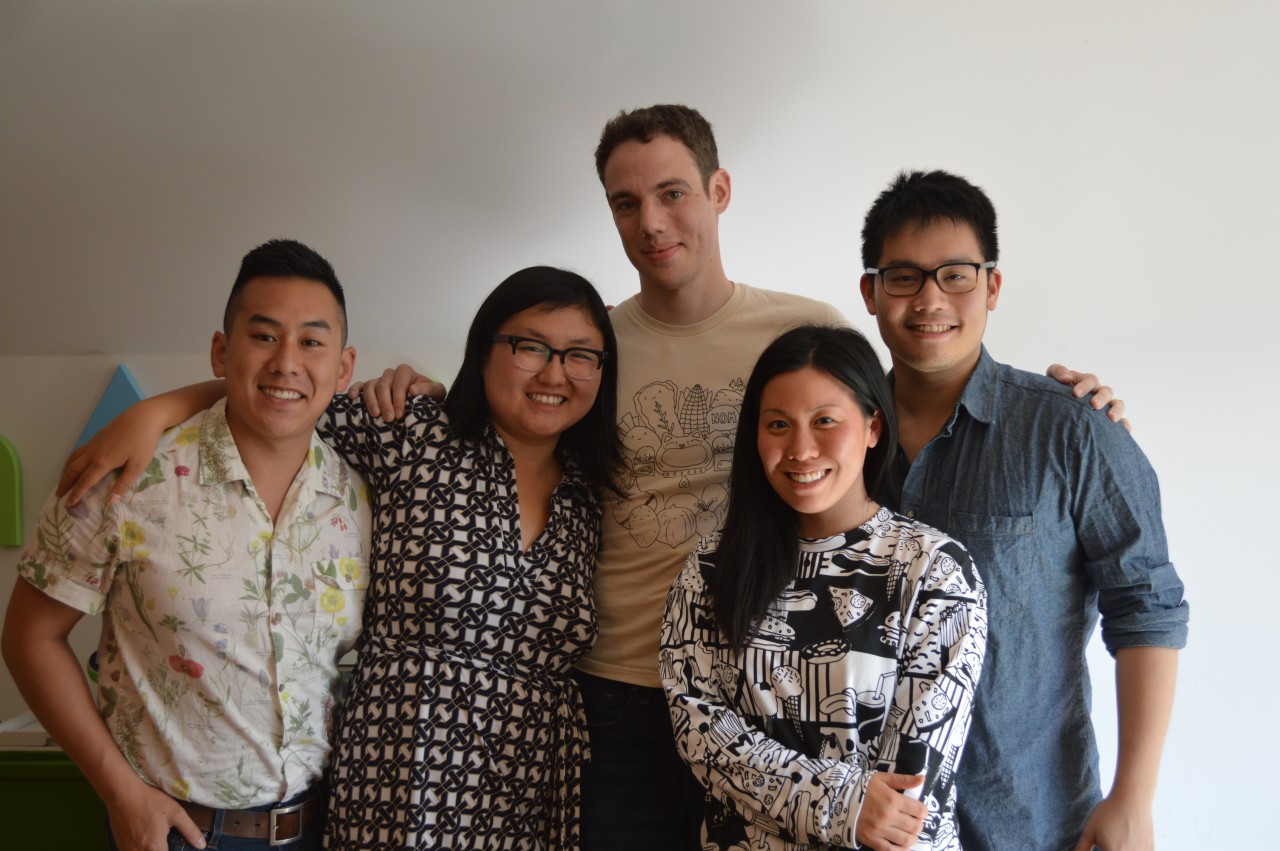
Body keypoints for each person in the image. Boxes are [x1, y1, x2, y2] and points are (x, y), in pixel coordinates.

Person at [347, 104, 1126, 850]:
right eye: (626, 202)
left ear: (719, 193)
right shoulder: (593, 347)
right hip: (618, 693)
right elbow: (518, 417)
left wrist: (1065, 407)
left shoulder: (799, 327)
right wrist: (414, 390)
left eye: (672, 193)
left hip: (778, 687)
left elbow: (877, 402)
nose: (651, 221)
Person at [53, 266, 623, 849]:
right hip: (400, 782)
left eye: (582, 355)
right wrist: (156, 409)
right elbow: (282, 394)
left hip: (530, 790)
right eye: (531, 346)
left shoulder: (591, 495)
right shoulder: (414, 433)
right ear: (483, 351)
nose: (555, 372)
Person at [857, 170, 1188, 851]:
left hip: (1027, 820)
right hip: (869, 825)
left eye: (955, 274)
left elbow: (1148, 603)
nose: (929, 299)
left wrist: (1133, 796)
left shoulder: (1071, 428)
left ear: (992, 286)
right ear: (870, 290)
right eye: (903, 277)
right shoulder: (831, 440)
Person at [2, 239, 370, 851]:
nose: (286, 362)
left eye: (311, 341)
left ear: (344, 365)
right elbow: (29, 635)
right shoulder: (127, 473)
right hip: (177, 832)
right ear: (221, 351)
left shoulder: (359, 497)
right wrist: (121, 793)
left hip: (322, 828)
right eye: (263, 336)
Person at [662, 325, 986, 851]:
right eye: (778, 424)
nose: (801, 449)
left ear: (873, 426)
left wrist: (864, 812)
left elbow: (916, 788)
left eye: (825, 421)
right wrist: (845, 805)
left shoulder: (935, 570)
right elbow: (700, 732)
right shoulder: (712, 568)